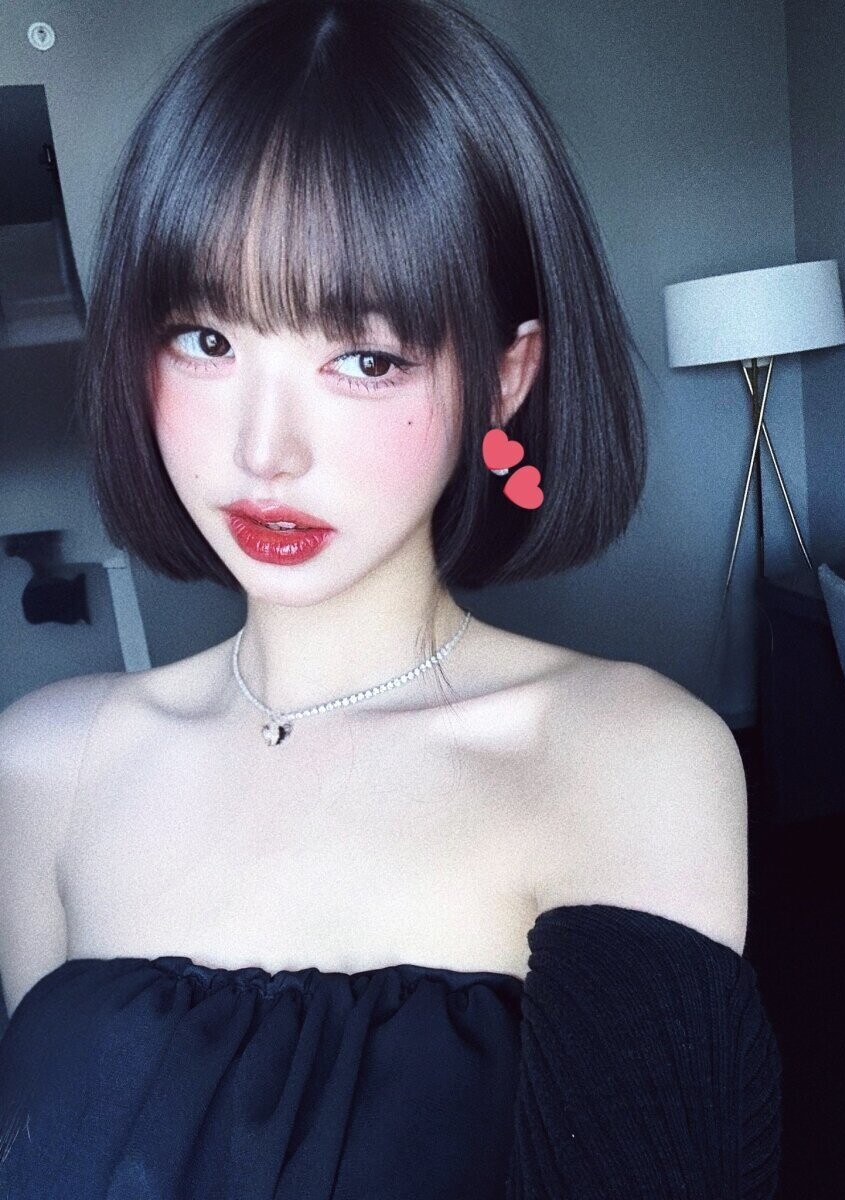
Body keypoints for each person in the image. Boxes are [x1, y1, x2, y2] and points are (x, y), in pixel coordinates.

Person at [0, 0, 781, 1196]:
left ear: (506, 378)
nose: (264, 451)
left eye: (363, 358)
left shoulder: (628, 758)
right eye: (205, 339)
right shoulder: (43, 770)